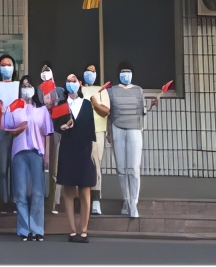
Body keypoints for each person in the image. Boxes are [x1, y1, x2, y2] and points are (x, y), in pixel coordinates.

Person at [95, 61, 157, 219]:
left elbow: (142, 111)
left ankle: (133, 203)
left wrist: (151, 106)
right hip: (117, 128)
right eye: (123, 72)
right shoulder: (111, 91)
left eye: (128, 71)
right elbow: (108, 113)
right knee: (121, 169)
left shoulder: (138, 90)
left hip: (135, 129)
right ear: (118, 74)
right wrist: (109, 134)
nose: (126, 74)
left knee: (134, 168)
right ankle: (127, 201)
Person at [4, 74, 53, 241]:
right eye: (23, 86)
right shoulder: (14, 108)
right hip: (19, 153)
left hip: (36, 152)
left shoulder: (42, 110)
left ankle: (37, 229)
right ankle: (24, 229)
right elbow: (6, 126)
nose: (26, 89)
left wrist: (47, 155)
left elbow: (47, 133)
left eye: (29, 86)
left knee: (38, 192)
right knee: (21, 193)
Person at [55, 72, 97, 242]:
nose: (71, 83)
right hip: (67, 149)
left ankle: (84, 229)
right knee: (68, 189)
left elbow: (91, 130)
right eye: (68, 81)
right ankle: (72, 229)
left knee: (85, 188)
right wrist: (63, 126)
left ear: (79, 83)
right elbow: (55, 126)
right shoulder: (61, 104)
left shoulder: (87, 104)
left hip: (84, 150)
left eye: (74, 80)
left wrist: (92, 153)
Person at [0, 53, 18, 215]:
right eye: (3, 65)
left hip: (17, 131)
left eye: (9, 65)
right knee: (1, 168)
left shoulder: (19, 86)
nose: (6, 68)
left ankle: (14, 201)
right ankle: (2, 200)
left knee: (14, 166)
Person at [78, 63, 106, 215]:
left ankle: (95, 201)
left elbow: (106, 111)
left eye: (93, 71)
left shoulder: (102, 90)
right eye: (88, 71)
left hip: (98, 130)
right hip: (80, 131)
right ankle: (81, 201)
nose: (90, 73)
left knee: (95, 165)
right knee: (80, 164)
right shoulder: (79, 89)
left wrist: (95, 104)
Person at [39, 62, 65, 213]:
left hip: (56, 131)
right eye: (43, 71)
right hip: (41, 132)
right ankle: (40, 199)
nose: (45, 73)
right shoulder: (38, 90)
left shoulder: (59, 91)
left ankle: (54, 202)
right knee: (41, 167)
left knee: (55, 169)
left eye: (48, 70)